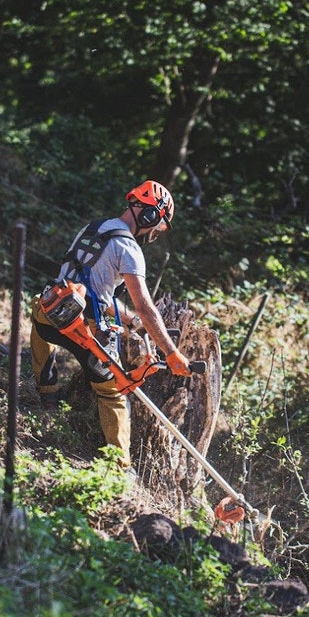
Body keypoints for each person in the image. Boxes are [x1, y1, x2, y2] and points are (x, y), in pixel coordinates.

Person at [29, 180, 192, 470]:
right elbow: (145, 304)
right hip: (86, 330)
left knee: (39, 317)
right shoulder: (129, 249)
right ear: (151, 215)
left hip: (51, 314)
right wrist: (171, 353)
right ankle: (121, 468)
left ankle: (47, 392)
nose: (155, 232)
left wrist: (131, 321)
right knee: (114, 391)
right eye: (158, 225)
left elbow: (89, 287)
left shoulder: (93, 228)